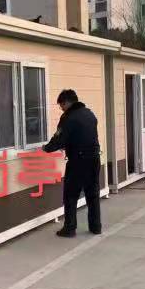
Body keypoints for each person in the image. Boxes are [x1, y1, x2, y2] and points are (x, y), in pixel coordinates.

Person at [42, 89, 102, 237]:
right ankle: (96, 227)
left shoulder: (69, 117)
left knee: (71, 195)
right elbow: (83, 135)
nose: (61, 108)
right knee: (93, 194)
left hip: (78, 161)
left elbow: (59, 138)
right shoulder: (89, 114)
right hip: (94, 158)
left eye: (61, 105)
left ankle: (69, 228)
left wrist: (46, 148)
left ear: (67, 103)